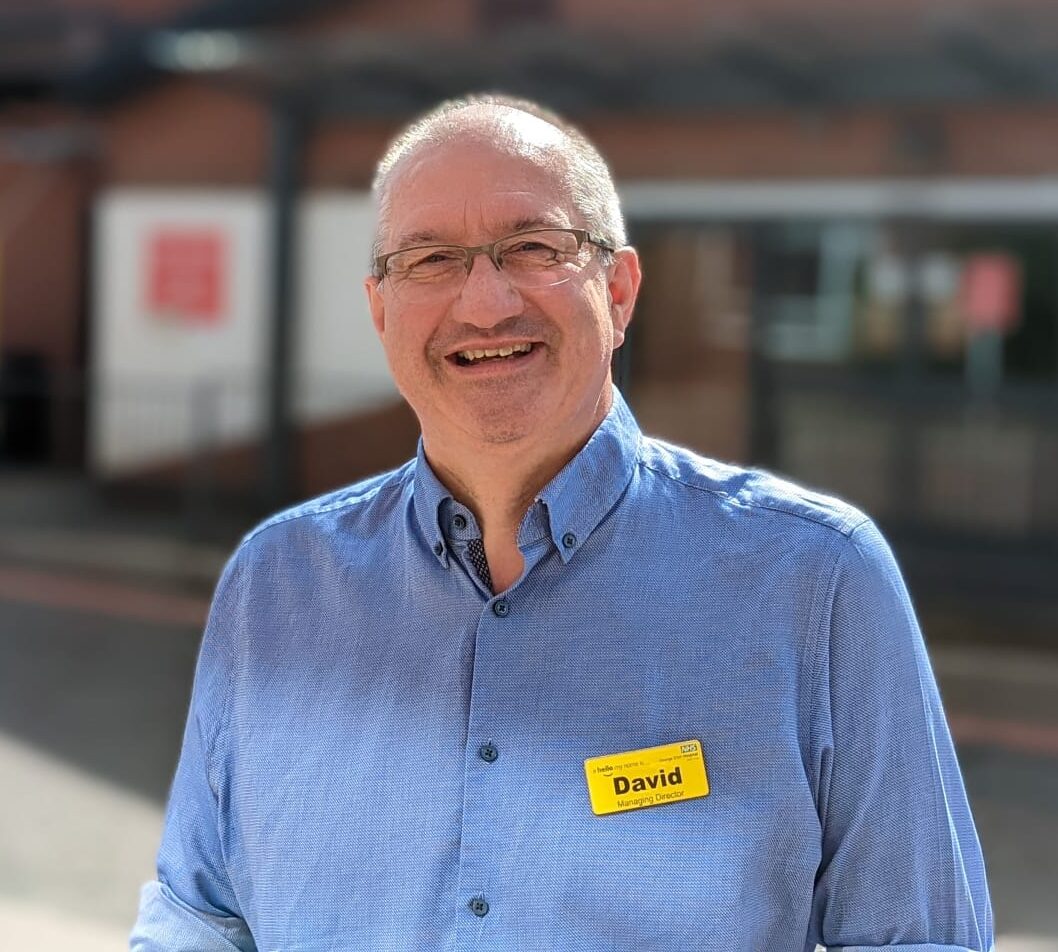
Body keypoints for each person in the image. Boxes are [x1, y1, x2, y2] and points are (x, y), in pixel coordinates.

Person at [131, 94, 993, 952]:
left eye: (534, 248)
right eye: (430, 259)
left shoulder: (816, 580)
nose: (484, 303)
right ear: (380, 309)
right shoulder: (274, 584)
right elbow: (199, 920)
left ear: (617, 292)